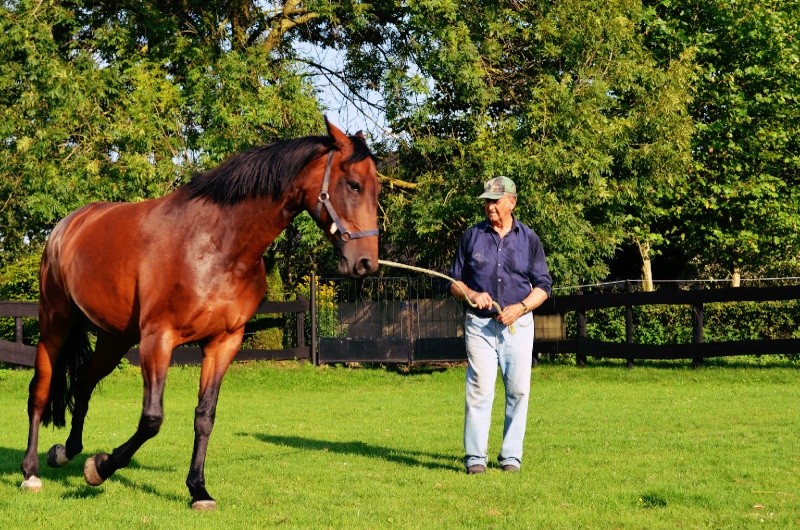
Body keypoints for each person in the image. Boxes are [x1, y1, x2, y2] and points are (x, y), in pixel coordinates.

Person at [448, 176, 552, 474]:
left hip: (517, 327)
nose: (489, 207)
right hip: (479, 326)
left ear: (512, 201)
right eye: (486, 202)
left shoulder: (529, 239)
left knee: (518, 390)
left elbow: (543, 286)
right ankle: (475, 458)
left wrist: (520, 308)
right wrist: (470, 293)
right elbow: (454, 281)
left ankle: (510, 457)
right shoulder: (471, 236)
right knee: (480, 389)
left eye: (495, 201)